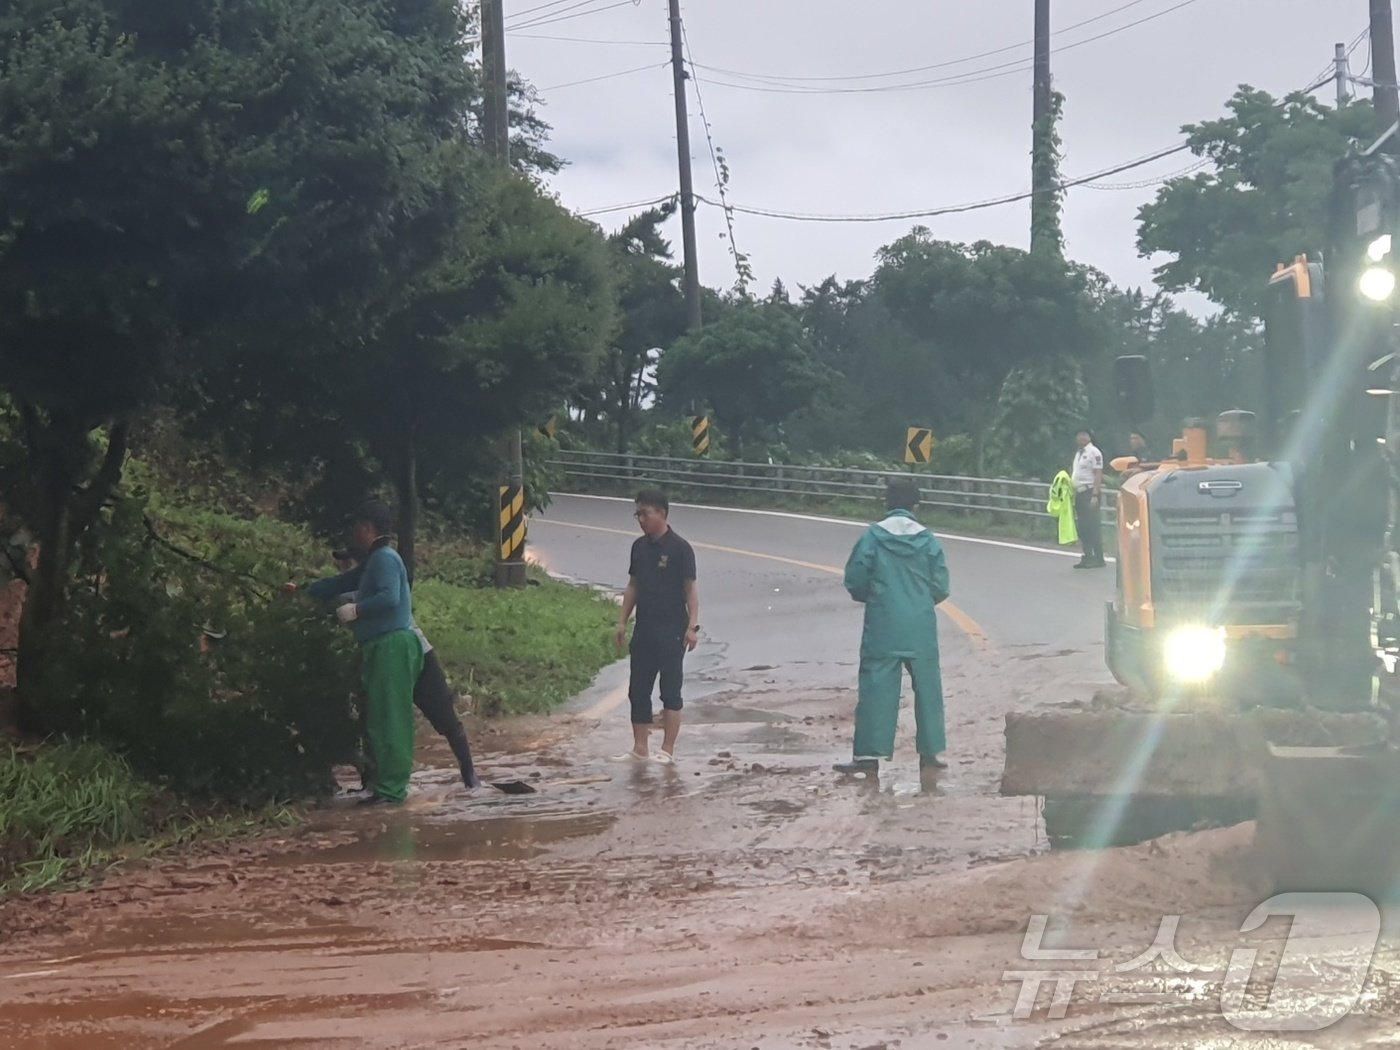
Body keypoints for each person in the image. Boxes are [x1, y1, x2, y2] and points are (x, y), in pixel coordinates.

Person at [317, 547, 481, 791]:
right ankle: (372, 782)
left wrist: (358, 610)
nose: (348, 566)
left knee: (444, 716)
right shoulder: (343, 594)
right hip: (380, 660)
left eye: (352, 561)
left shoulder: (382, 578)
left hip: (415, 654)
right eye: (344, 562)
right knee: (376, 721)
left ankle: (470, 775)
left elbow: (390, 604)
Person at [302, 500, 422, 805]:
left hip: (391, 645)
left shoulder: (384, 559)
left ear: (367, 528)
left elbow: (390, 598)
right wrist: (305, 591)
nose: (352, 534)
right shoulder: (375, 560)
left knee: (390, 720)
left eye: (356, 528)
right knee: (379, 719)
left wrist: (357, 610)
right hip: (380, 646)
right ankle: (385, 786)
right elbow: (341, 582)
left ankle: (392, 791)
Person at [835, 478, 950, 778]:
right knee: (927, 688)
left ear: (887, 504)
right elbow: (941, 585)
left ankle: (867, 757)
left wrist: (875, 598)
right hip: (920, 625)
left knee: (876, 687)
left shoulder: (872, 537)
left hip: (883, 622)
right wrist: (920, 601)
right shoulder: (928, 540)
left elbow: (855, 579)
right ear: (916, 506)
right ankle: (931, 753)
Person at [612, 489, 699, 765]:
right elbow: (633, 586)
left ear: (662, 513)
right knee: (638, 689)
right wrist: (622, 621)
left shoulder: (680, 548)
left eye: (645, 514)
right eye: (637, 514)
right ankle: (640, 748)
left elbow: (690, 590)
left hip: (672, 629)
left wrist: (692, 626)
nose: (641, 520)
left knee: (670, 690)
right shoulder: (638, 547)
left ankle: (667, 749)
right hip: (644, 628)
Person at [1071, 428, 1106, 569]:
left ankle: (1098, 557)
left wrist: (1095, 495)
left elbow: (1098, 474)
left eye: (1084, 435)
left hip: (1090, 491)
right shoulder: (1078, 453)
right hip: (1079, 492)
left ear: (1089, 437)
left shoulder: (1094, 452)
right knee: (1083, 527)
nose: (1081, 437)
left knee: (1093, 526)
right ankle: (1087, 556)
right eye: (1079, 435)